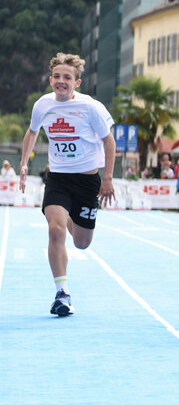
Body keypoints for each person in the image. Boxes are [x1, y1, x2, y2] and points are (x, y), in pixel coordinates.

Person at [19, 52, 115, 317]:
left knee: (82, 242)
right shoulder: (42, 105)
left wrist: (107, 178)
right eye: (58, 77)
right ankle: (62, 293)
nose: (62, 81)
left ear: (77, 83)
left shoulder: (90, 107)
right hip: (58, 178)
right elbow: (32, 131)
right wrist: (24, 164)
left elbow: (109, 141)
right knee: (55, 231)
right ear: (51, 80)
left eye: (68, 78)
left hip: (87, 180)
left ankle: (73, 216)